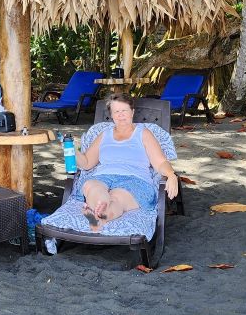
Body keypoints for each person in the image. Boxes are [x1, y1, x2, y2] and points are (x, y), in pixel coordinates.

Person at [76, 94, 179, 232]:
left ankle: (99, 216)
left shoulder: (144, 133)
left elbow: (160, 162)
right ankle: (100, 209)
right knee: (91, 185)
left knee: (117, 198)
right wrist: (70, 149)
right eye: (116, 111)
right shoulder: (104, 134)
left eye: (124, 110)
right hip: (103, 175)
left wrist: (171, 175)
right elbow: (87, 163)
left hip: (134, 179)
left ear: (132, 112)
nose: (120, 115)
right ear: (111, 115)